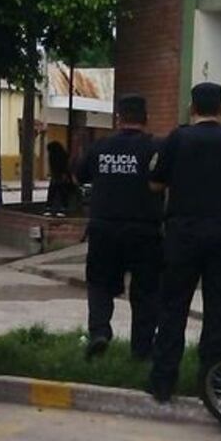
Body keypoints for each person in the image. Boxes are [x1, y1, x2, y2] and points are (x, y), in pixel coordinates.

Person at [146, 82, 221, 402]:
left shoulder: (177, 139)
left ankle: (163, 382)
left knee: (173, 308)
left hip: (183, 235)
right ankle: (213, 382)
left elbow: (155, 184)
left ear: (192, 108)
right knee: (218, 311)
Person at [75, 94, 164, 360]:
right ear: (145, 119)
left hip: (104, 229)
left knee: (100, 284)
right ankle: (142, 348)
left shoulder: (100, 147)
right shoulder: (155, 148)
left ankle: (100, 332)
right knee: (146, 291)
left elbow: (80, 175)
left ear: (118, 118)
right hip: (144, 231)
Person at [46, 141, 78, 214]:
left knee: (57, 191)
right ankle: (61, 207)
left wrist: (63, 175)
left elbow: (62, 166)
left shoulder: (55, 156)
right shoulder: (60, 154)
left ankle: (52, 206)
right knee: (59, 191)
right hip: (59, 176)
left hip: (59, 176)